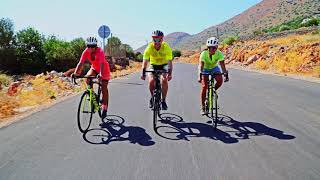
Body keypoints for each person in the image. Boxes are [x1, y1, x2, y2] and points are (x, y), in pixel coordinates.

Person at [73, 36, 111, 119]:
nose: (90, 48)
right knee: (87, 77)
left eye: (93, 46)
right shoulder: (86, 51)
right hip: (94, 68)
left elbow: (101, 63)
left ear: (95, 46)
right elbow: (80, 63)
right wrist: (75, 73)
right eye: (88, 46)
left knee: (104, 87)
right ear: (86, 46)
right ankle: (91, 95)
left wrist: (100, 74)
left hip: (103, 70)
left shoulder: (100, 51)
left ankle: (105, 107)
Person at [140, 30, 173, 110]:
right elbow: (144, 62)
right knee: (151, 81)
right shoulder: (149, 48)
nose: (157, 42)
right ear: (152, 39)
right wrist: (143, 73)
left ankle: (163, 100)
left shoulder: (166, 47)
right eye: (155, 39)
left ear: (162, 40)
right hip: (153, 65)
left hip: (164, 65)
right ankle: (152, 97)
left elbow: (169, 63)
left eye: (159, 39)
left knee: (164, 80)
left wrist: (170, 74)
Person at [198, 37, 229, 115]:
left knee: (220, 80)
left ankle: (213, 91)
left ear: (217, 47)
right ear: (207, 47)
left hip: (214, 68)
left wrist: (225, 74)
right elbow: (201, 66)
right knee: (204, 86)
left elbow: (222, 65)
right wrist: (199, 75)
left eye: (214, 48)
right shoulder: (203, 53)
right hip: (205, 68)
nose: (212, 49)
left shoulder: (219, 53)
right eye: (210, 47)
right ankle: (203, 107)